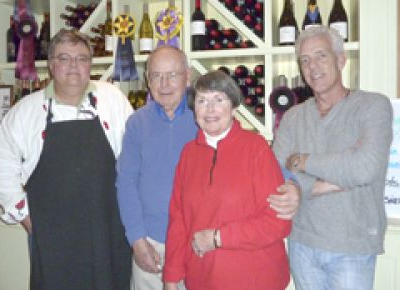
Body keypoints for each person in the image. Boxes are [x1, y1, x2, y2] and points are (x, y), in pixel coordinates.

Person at [116, 45, 300, 290]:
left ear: (187, 76)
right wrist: (137, 239)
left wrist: (293, 185)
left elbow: (260, 161)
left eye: (172, 74)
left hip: (209, 250)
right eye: (156, 76)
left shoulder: (207, 117)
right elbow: (126, 183)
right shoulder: (139, 124)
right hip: (153, 244)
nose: (164, 83)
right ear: (148, 80)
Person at [0, 29, 133, 290]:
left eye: (82, 58)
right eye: (65, 58)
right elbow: (0, 167)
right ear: (51, 65)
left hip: (107, 228)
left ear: (90, 63)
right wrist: (26, 218)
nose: (74, 66)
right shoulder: (25, 112)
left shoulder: (113, 100)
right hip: (52, 235)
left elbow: (134, 158)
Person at [272, 26, 393, 290]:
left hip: (352, 246)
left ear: (340, 60)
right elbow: (275, 173)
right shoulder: (293, 116)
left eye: (320, 56)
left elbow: (363, 168)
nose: (312, 66)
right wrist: (324, 184)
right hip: (301, 243)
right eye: (304, 60)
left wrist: (301, 161)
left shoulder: (374, 106)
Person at [163, 70, 291, 290]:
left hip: (256, 280)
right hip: (202, 280)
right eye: (202, 101)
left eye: (219, 100)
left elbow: (278, 223)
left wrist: (218, 238)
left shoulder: (256, 149)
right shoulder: (188, 154)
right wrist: (171, 277)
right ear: (195, 110)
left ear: (233, 107)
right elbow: (179, 220)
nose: (210, 109)